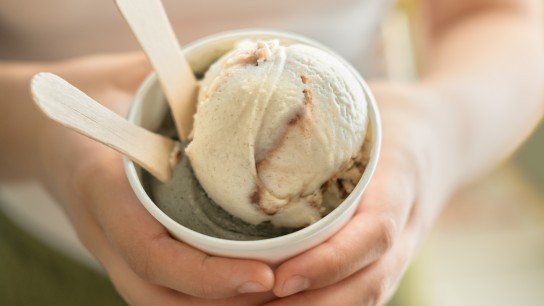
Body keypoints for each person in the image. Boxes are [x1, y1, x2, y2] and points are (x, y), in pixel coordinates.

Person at [1, 0, 543, 305]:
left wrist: (439, 130)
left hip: (361, 259)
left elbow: (500, 14)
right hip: (51, 269)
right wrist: (38, 138)